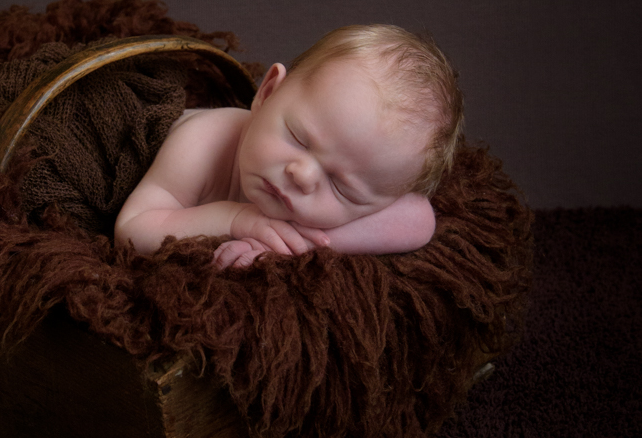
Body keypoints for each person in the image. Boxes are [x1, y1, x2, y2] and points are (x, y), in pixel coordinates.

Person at [114, 24, 463, 269]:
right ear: (268, 93)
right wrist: (235, 219)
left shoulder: (376, 190)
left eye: (342, 187)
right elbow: (133, 229)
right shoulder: (202, 143)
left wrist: (298, 242)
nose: (303, 175)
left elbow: (418, 219)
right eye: (298, 138)